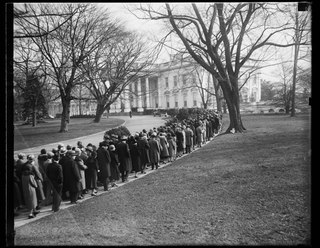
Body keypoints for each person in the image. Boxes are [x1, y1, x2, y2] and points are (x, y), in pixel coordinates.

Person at [21, 155, 40, 219]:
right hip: (31, 189)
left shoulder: (23, 175)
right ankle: (30, 214)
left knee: (29, 201)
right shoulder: (30, 175)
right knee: (32, 201)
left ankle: (34, 210)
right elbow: (34, 183)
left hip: (25, 189)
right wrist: (36, 185)